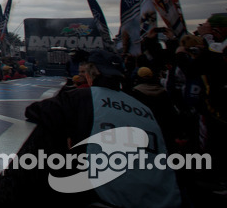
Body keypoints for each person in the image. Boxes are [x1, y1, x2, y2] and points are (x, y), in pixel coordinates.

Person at [25, 50, 181, 207]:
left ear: (92, 73)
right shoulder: (143, 107)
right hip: (164, 200)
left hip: (109, 199)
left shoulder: (83, 97)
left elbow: (34, 110)